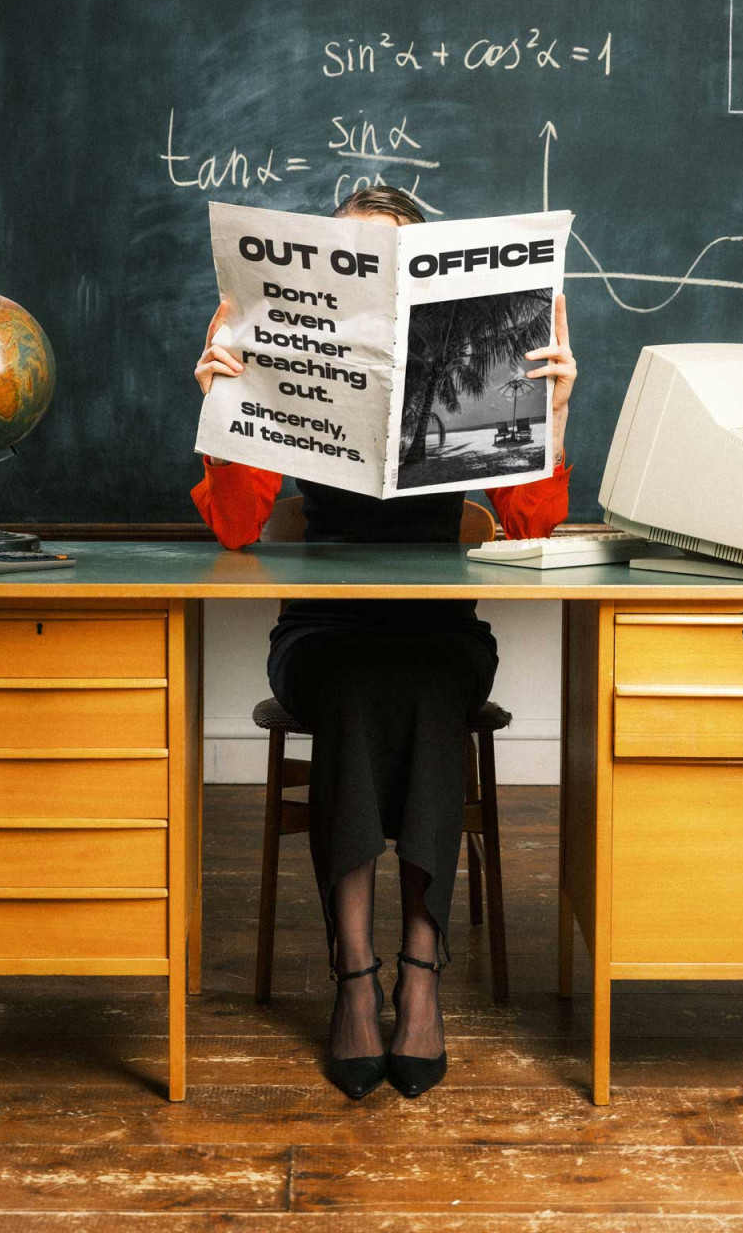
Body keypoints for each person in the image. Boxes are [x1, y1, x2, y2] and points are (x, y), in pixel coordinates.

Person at [191, 186, 578, 1100]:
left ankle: (416, 970)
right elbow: (241, 532)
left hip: (441, 631)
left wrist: (551, 416)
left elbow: (525, 533)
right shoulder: (270, 333)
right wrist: (224, 412)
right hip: (322, 633)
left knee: (419, 680)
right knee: (367, 682)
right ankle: (362, 976)